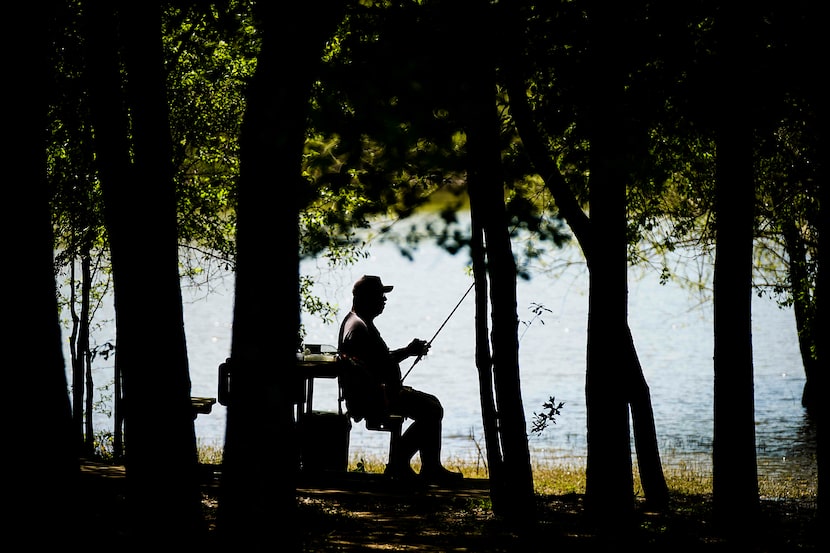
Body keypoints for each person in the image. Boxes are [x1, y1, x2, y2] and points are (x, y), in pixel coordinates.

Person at [338, 274, 463, 484]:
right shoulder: (359, 328)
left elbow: (379, 360)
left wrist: (407, 351)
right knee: (432, 410)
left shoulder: (358, 322)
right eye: (380, 295)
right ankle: (402, 463)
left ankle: (423, 466)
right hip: (372, 399)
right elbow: (378, 365)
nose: (384, 300)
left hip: (374, 394)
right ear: (366, 297)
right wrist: (407, 352)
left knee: (432, 404)